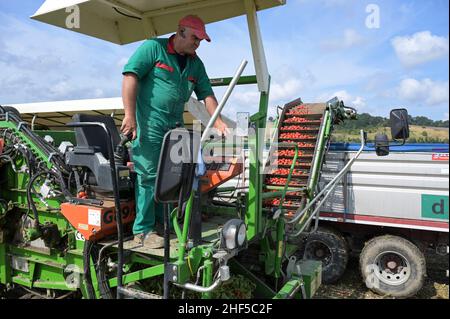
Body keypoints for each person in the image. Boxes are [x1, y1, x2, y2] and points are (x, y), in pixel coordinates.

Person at [120, 15, 228, 248]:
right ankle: (143, 231)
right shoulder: (153, 48)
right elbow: (130, 77)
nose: (197, 44)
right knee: (149, 175)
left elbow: (206, 95)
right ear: (180, 32)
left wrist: (218, 121)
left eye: (201, 40)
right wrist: (129, 116)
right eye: (195, 38)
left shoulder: (195, 64)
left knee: (173, 174)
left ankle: (162, 225)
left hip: (174, 127)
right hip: (149, 124)